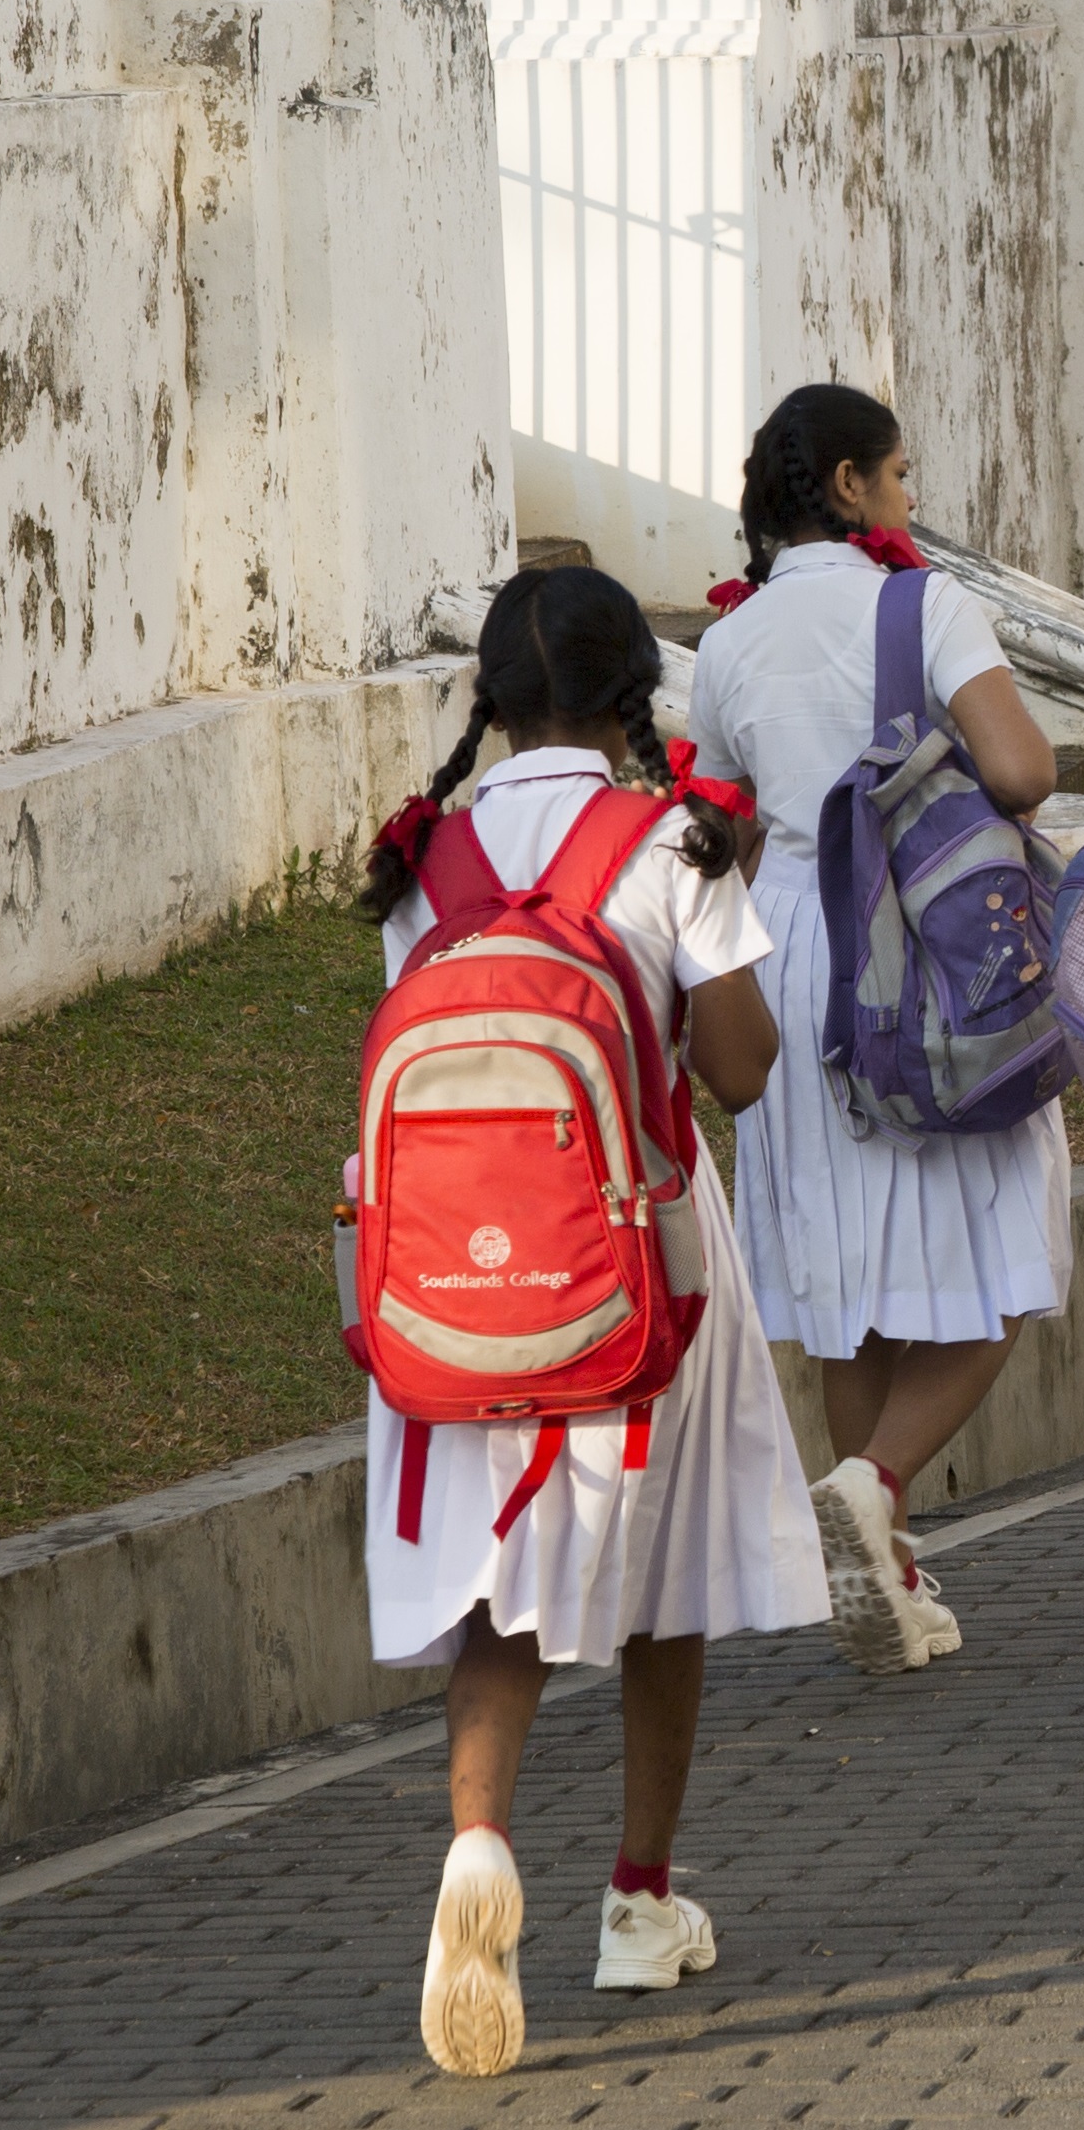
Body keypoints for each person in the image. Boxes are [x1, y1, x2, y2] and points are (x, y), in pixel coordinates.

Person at [369, 566, 822, 2079]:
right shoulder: (668, 841)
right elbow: (741, 1071)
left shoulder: (426, 860)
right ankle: (638, 1899)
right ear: (636, 690)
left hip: (452, 1289)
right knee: (663, 1571)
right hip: (639, 1275)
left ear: (492, 700)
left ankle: (477, 1844)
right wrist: (726, 890)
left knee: (497, 1593)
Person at [686, 384, 1069, 1678]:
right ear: (850, 486)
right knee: (1006, 1246)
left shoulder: (728, 641)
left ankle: (887, 1571)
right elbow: (1022, 772)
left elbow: (722, 821)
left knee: (848, 1287)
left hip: (791, 948)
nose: (910, 496)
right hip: (921, 941)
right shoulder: (921, 605)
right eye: (899, 474)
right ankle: (873, 1486)